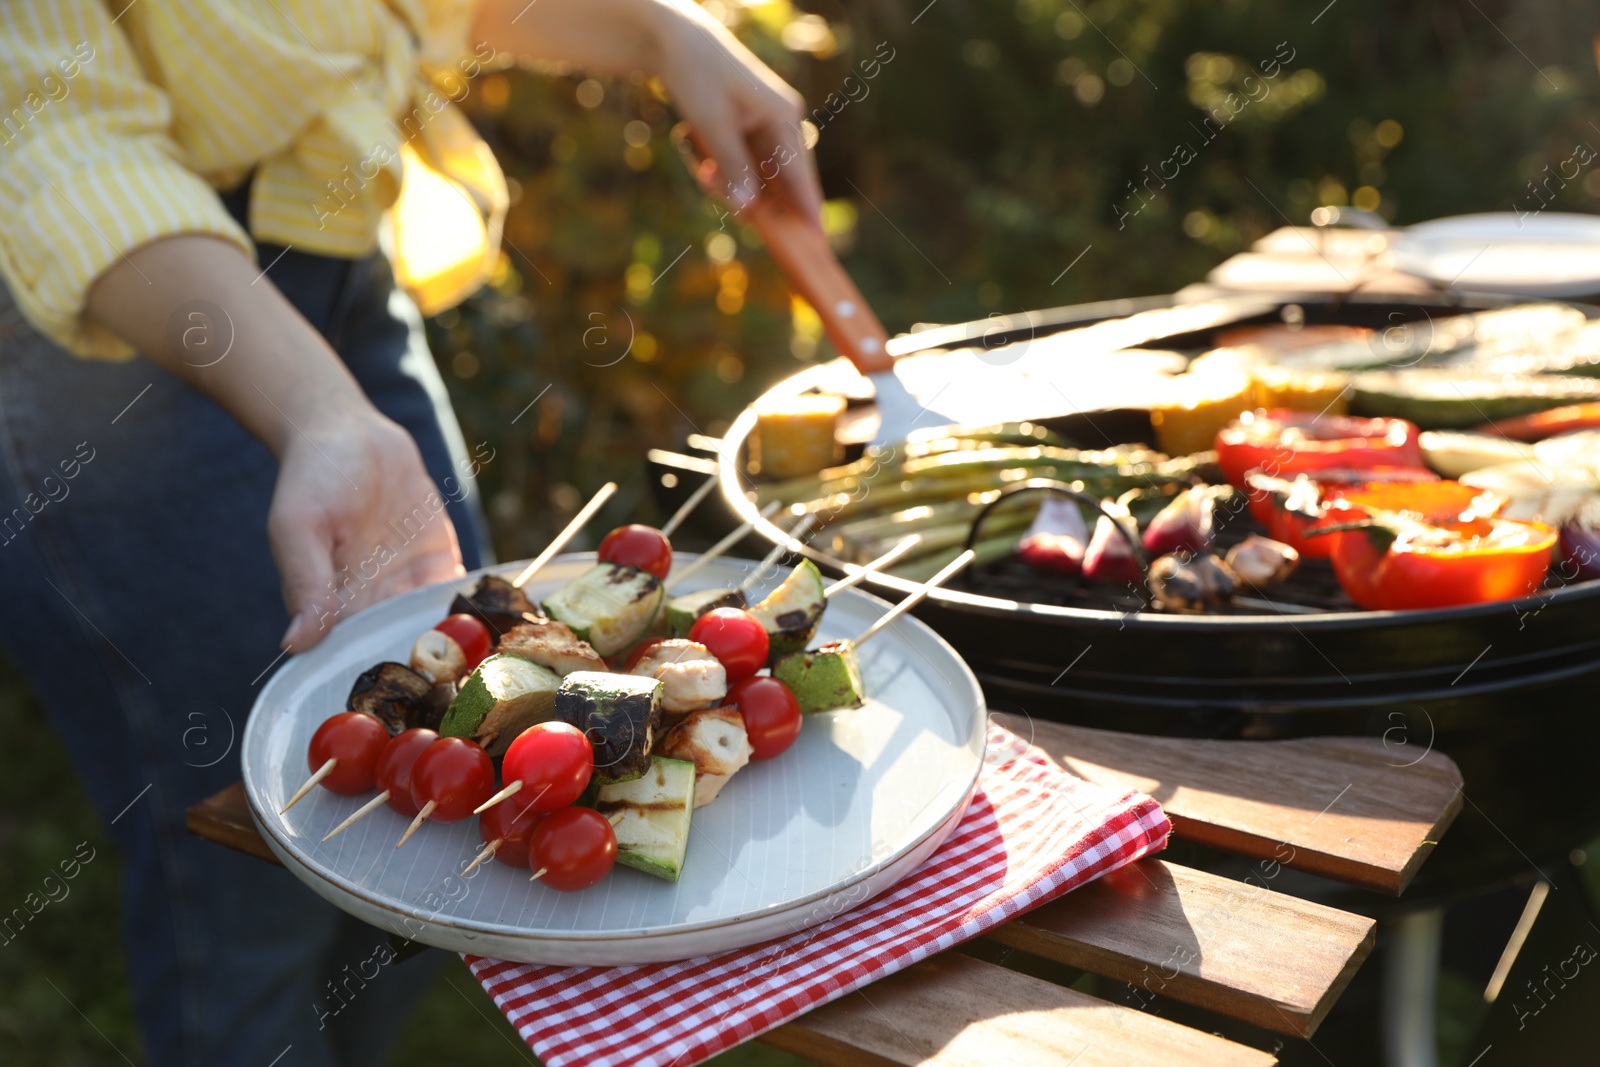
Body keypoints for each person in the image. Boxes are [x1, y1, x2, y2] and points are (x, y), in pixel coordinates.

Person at [0, 2, 821, 1064]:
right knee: (249, 874)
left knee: (431, 835)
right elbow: (47, 132)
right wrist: (317, 409)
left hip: (334, 247)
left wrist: (664, 33)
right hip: (112, 312)